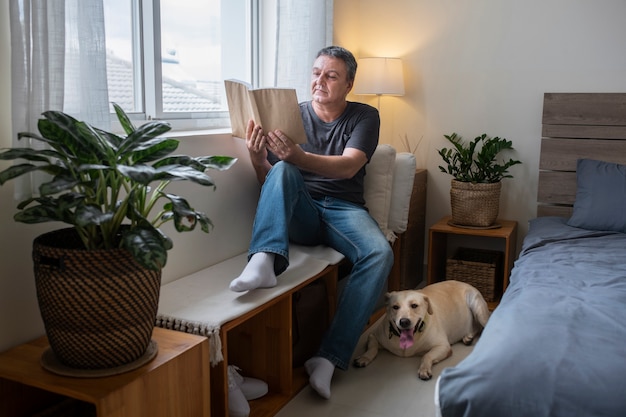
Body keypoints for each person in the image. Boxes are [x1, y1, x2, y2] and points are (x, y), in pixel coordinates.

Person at [229, 45, 394, 399]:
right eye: (317, 73)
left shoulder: (366, 116)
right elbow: (275, 182)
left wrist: (300, 155)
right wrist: (258, 160)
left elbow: (350, 165)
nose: (320, 81)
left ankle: (328, 358)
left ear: (349, 83)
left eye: (331, 75)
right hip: (302, 209)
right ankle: (263, 260)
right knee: (284, 169)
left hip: (344, 209)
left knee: (380, 253)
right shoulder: (292, 115)